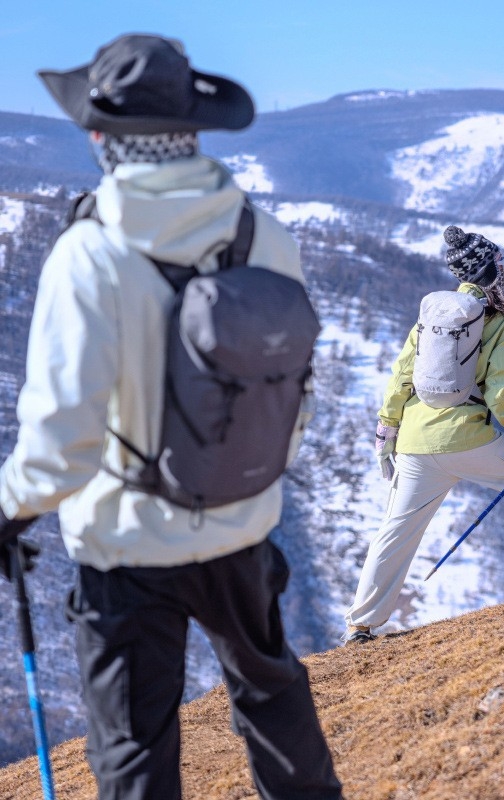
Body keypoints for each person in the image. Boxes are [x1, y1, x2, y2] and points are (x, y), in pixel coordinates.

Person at [0, 34, 343, 800]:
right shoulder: (264, 235)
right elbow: (297, 388)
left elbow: (62, 439)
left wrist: (10, 509)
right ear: (192, 128)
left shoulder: (90, 254)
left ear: (101, 136)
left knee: (135, 746)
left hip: (126, 542)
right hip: (241, 523)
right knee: (272, 697)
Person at [344, 225, 504, 644]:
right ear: (490, 270)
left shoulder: (431, 319)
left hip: (413, 443)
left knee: (395, 530)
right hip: (469, 439)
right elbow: (500, 397)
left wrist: (386, 431)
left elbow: (401, 377)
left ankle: (361, 625)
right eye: (499, 262)